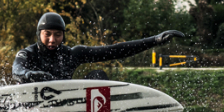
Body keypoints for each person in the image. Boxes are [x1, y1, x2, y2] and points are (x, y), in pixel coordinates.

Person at [13, 12, 184, 83]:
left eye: (58, 35)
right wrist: (29, 74)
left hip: (64, 105)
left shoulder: (72, 54)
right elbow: (17, 70)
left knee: (98, 76)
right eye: (47, 34)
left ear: (63, 35)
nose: (52, 39)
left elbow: (115, 50)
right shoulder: (27, 54)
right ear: (39, 34)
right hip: (33, 107)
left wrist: (155, 40)